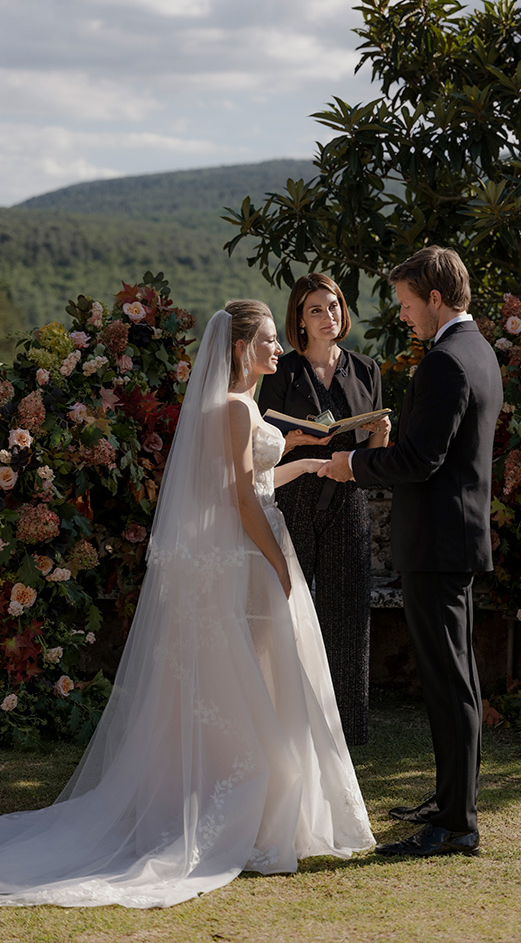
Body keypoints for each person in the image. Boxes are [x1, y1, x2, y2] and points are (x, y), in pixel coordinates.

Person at [0, 301, 374, 909]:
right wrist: (280, 564)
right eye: (270, 341)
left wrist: (304, 463)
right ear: (241, 348)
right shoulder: (230, 406)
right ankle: (250, 804)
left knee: (267, 677)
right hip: (249, 556)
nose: (278, 350)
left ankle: (271, 806)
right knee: (255, 680)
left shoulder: (244, 404)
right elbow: (239, 502)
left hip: (256, 547)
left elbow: (255, 482)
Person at [319, 247, 503, 858]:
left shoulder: (446, 363)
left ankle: (456, 824)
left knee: (449, 683)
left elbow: (420, 461)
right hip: (457, 537)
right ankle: (453, 800)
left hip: (437, 543)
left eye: (405, 304)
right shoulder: (477, 351)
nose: (402, 316)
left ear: (435, 298)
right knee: (459, 680)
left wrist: (352, 463)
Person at [258, 273, 390, 745]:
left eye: (333, 306)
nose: (327, 316)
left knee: (348, 611)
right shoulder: (282, 372)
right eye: (316, 309)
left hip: (348, 498)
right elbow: (265, 444)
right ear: (300, 317)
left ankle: (347, 731)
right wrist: (296, 437)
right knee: (288, 607)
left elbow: (374, 452)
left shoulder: (367, 369)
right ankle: (285, 722)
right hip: (294, 494)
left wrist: (381, 434)